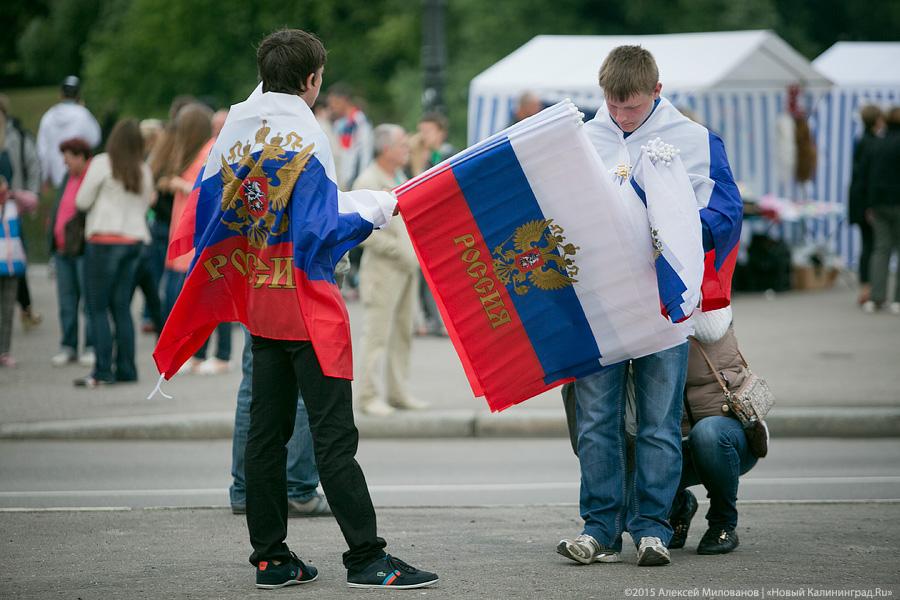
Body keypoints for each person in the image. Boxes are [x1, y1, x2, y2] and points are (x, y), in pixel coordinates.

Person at [153, 29, 438, 590]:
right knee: (335, 440)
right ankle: (366, 559)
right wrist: (377, 208)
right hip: (307, 305)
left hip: (262, 301)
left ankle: (271, 558)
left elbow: (219, 209)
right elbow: (320, 230)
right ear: (313, 81)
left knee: (266, 436)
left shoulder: (240, 126)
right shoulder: (306, 135)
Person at [558, 45, 742, 567]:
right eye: (613, 106)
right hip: (600, 305)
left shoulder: (695, 141)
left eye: (633, 107)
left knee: (659, 423)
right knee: (597, 422)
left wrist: (675, 228)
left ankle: (653, 527)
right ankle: (599, 527)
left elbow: (726, 213)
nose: (621, 117)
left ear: (657, 92)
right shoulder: (582, 140)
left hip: (664, 309)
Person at [74, 119, 155, 387]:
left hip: (104, 242)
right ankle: (126, 369)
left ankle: (101, 371)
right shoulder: (143, 169)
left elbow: (81, 201)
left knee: (97, 308)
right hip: (134, 242)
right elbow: (147, 204)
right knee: (121, 307)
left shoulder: (101, 163)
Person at [354, 124, 427, 417]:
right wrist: (400, 251)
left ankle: (398, 392)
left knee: (402, 332)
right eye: (401, 144)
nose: (406, 149)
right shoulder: (368, 180)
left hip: (406, 269)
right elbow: (363, 230)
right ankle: (368, 396)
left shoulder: (398, 176)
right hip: (383, 270)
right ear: (385, 148)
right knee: (377, 335)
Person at [229, 327, 331, 517]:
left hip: (254, 299)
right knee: (297, 378)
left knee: (254, 381)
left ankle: (246, 490)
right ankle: (297, 490)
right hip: (291, 300)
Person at [48, 138, 95, 367]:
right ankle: (68, 346)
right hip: (62, 249)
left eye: (68, 158)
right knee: (66, 301)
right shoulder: (68, 177)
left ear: (80, 156)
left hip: (82, 248)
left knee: (88, 299)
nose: (65, 163)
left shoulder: (92, 175)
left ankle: (90, 345)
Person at [408, 112, 453, 337]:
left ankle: (440, 319)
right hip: (420, 224)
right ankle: (426, 318)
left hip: (442, 223)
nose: (422, 136)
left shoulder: (447, 154)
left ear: (440, 133)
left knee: (441, 274)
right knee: (421, 274)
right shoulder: (413, 157)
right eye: (421, 131)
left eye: (428, 131)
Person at [0, 96, 43, 330]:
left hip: (11, 206)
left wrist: (30, 195)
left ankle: (25, 308)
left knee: (16, 258)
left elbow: (32, 165)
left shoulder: (16, 136)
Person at [861, 106, 900, 315]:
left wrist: (869, 204)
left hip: (879, 203)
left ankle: (877, 297)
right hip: (897, 202)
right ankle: (897, 299)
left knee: (881, 249)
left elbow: (869, 177)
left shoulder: (878, 143)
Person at [0, 154, 37, 367]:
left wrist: (13, 194)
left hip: (13, 266)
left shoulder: (14, 205)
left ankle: (4, 350)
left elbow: (32, 202)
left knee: (7, 312)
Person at [36, 76, 102, 191]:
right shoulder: (83, 114)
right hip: (78, 171)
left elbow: (42, 149)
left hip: (56, 173)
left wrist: (44, 175)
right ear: (78, 95)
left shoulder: (49, 116)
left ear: (61, 94)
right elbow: (95, 139)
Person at [848, 106, 883, 307]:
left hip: (859, 200)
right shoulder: (872, 143)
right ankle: (868, 288)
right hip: (866, 201)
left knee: (868, 245)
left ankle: (866, 287)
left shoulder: (862, 141)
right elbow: (868, 178)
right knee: (873, 245)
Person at [327, 83, 374, 190]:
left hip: (355, 181)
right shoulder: (338, 123)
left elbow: (365, 153)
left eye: (334, 103)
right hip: (341, 180)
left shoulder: (360, 121)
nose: (332, 107)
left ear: (344, 100)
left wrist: (361, 181)